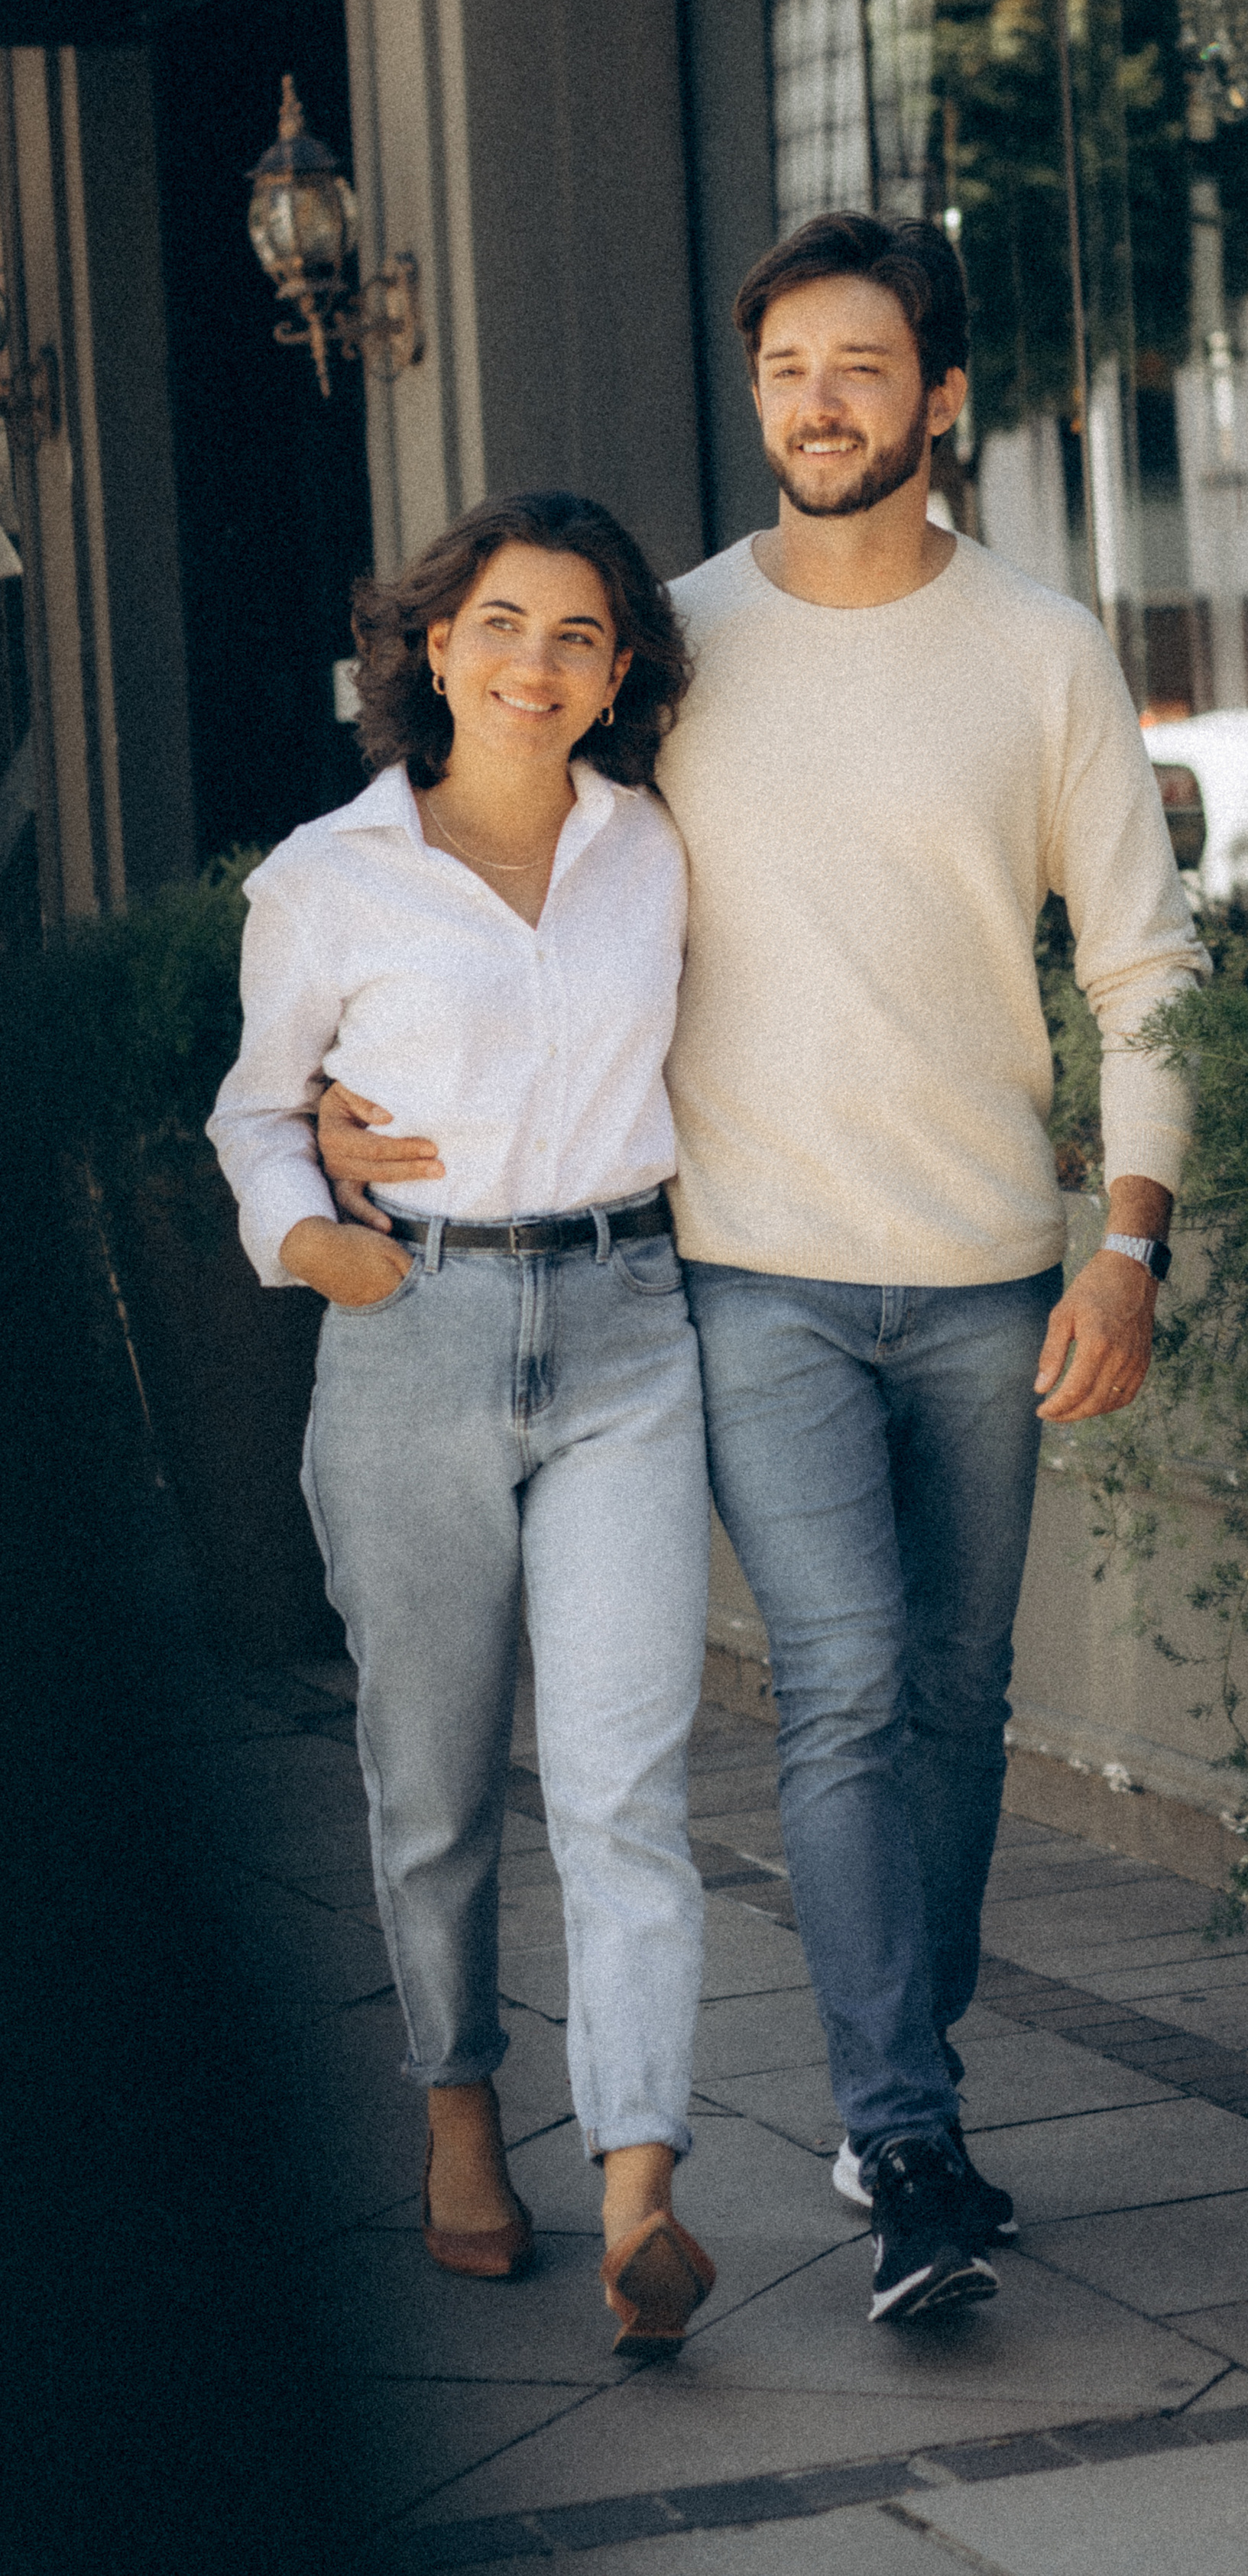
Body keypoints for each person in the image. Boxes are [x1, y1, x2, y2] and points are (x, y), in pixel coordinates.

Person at [319, 212, 1209, 2326]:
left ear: (942, 398)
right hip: (750, 1273)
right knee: (849, 1686)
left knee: (962, 1709)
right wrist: (338, 1095)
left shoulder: (1042, 650)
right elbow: (485, 839)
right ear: (760, 395)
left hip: (996, 1268)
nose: (819, 400)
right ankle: (902, 2127)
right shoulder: (677, 643)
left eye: (862, 366)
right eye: (787, 366)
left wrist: (1133, 1241)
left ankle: (910, 2055)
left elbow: (1148, 961)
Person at [208, 490, 719, 2359]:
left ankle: (643, 2186)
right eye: (503, 625)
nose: (535, 665)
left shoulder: (652, 850)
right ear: (433, 646)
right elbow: (257, 1109)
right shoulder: (329, 876)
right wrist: (318, 1244)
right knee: (429, 1787)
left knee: (619, 1789)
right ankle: (457, 2122)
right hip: (410, 1330)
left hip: (623, 1332)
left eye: (578, 637)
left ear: (617, 674)